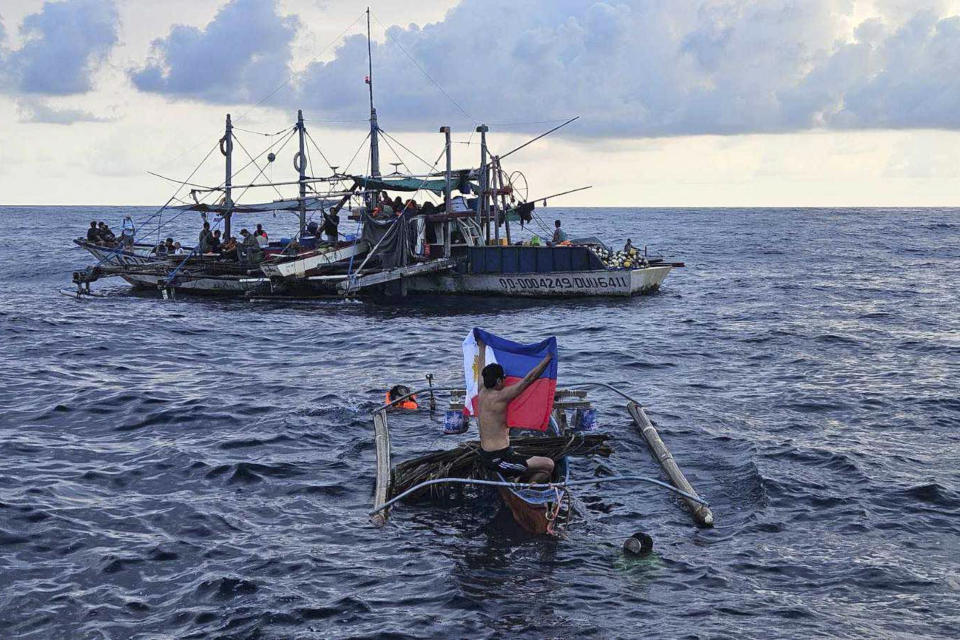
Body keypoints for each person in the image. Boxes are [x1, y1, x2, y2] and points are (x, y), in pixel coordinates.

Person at [476, 355, 555, 483]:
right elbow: (528, 379)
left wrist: (482, 346)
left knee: (530, 464)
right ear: (498, 381)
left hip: (491, 454)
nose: (505, 381)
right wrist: (548, 359)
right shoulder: (501, 396)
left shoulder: (481, 390)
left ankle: (518, 479)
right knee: (549, 465)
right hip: (498, 460)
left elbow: (480, 369)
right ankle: (528, 488)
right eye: (503, 379)